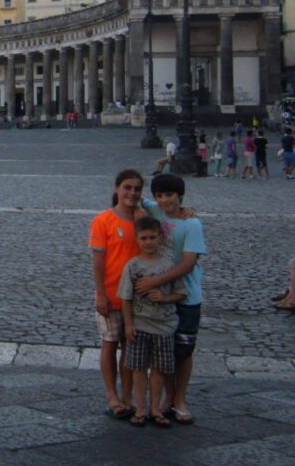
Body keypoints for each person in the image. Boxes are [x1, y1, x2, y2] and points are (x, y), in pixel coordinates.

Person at [137, 173, 206, 425]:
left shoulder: (192, 225)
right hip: (161, 296)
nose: (165, 200)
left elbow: (189, 264)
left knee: (184, 351)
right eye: (160, 195)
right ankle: (169, 398)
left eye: (170, 195)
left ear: (180, 196)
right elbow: (130, 198)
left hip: (186, 295)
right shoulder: (153, 208)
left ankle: (180, 399)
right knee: (164, 350)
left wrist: (154, 282)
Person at [119, 216, 187, 427]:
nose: (148, 242)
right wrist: (128, 324)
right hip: (140, 325)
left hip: (164, 326)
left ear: (160, 238)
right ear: (137, 240)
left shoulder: (169, 266)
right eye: (144, 238)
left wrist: (164, 298)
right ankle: (141, 407)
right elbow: (125, 298)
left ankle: (155, 407)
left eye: (152, 237)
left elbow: (181, 293)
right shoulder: (132, 266)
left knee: (159, 370)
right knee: (138, 369)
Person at [89, 169, 144, 419]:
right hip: (111, 294)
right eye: (127, 188)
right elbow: (98, 261)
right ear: (117, 189)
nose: (131, 193)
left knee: (130, 349)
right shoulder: (103, 221)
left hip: (138, 298)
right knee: (110, 346)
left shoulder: (144, 220)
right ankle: (112, 396)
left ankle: (127, 396)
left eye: (136, 189)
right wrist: (100, 293)